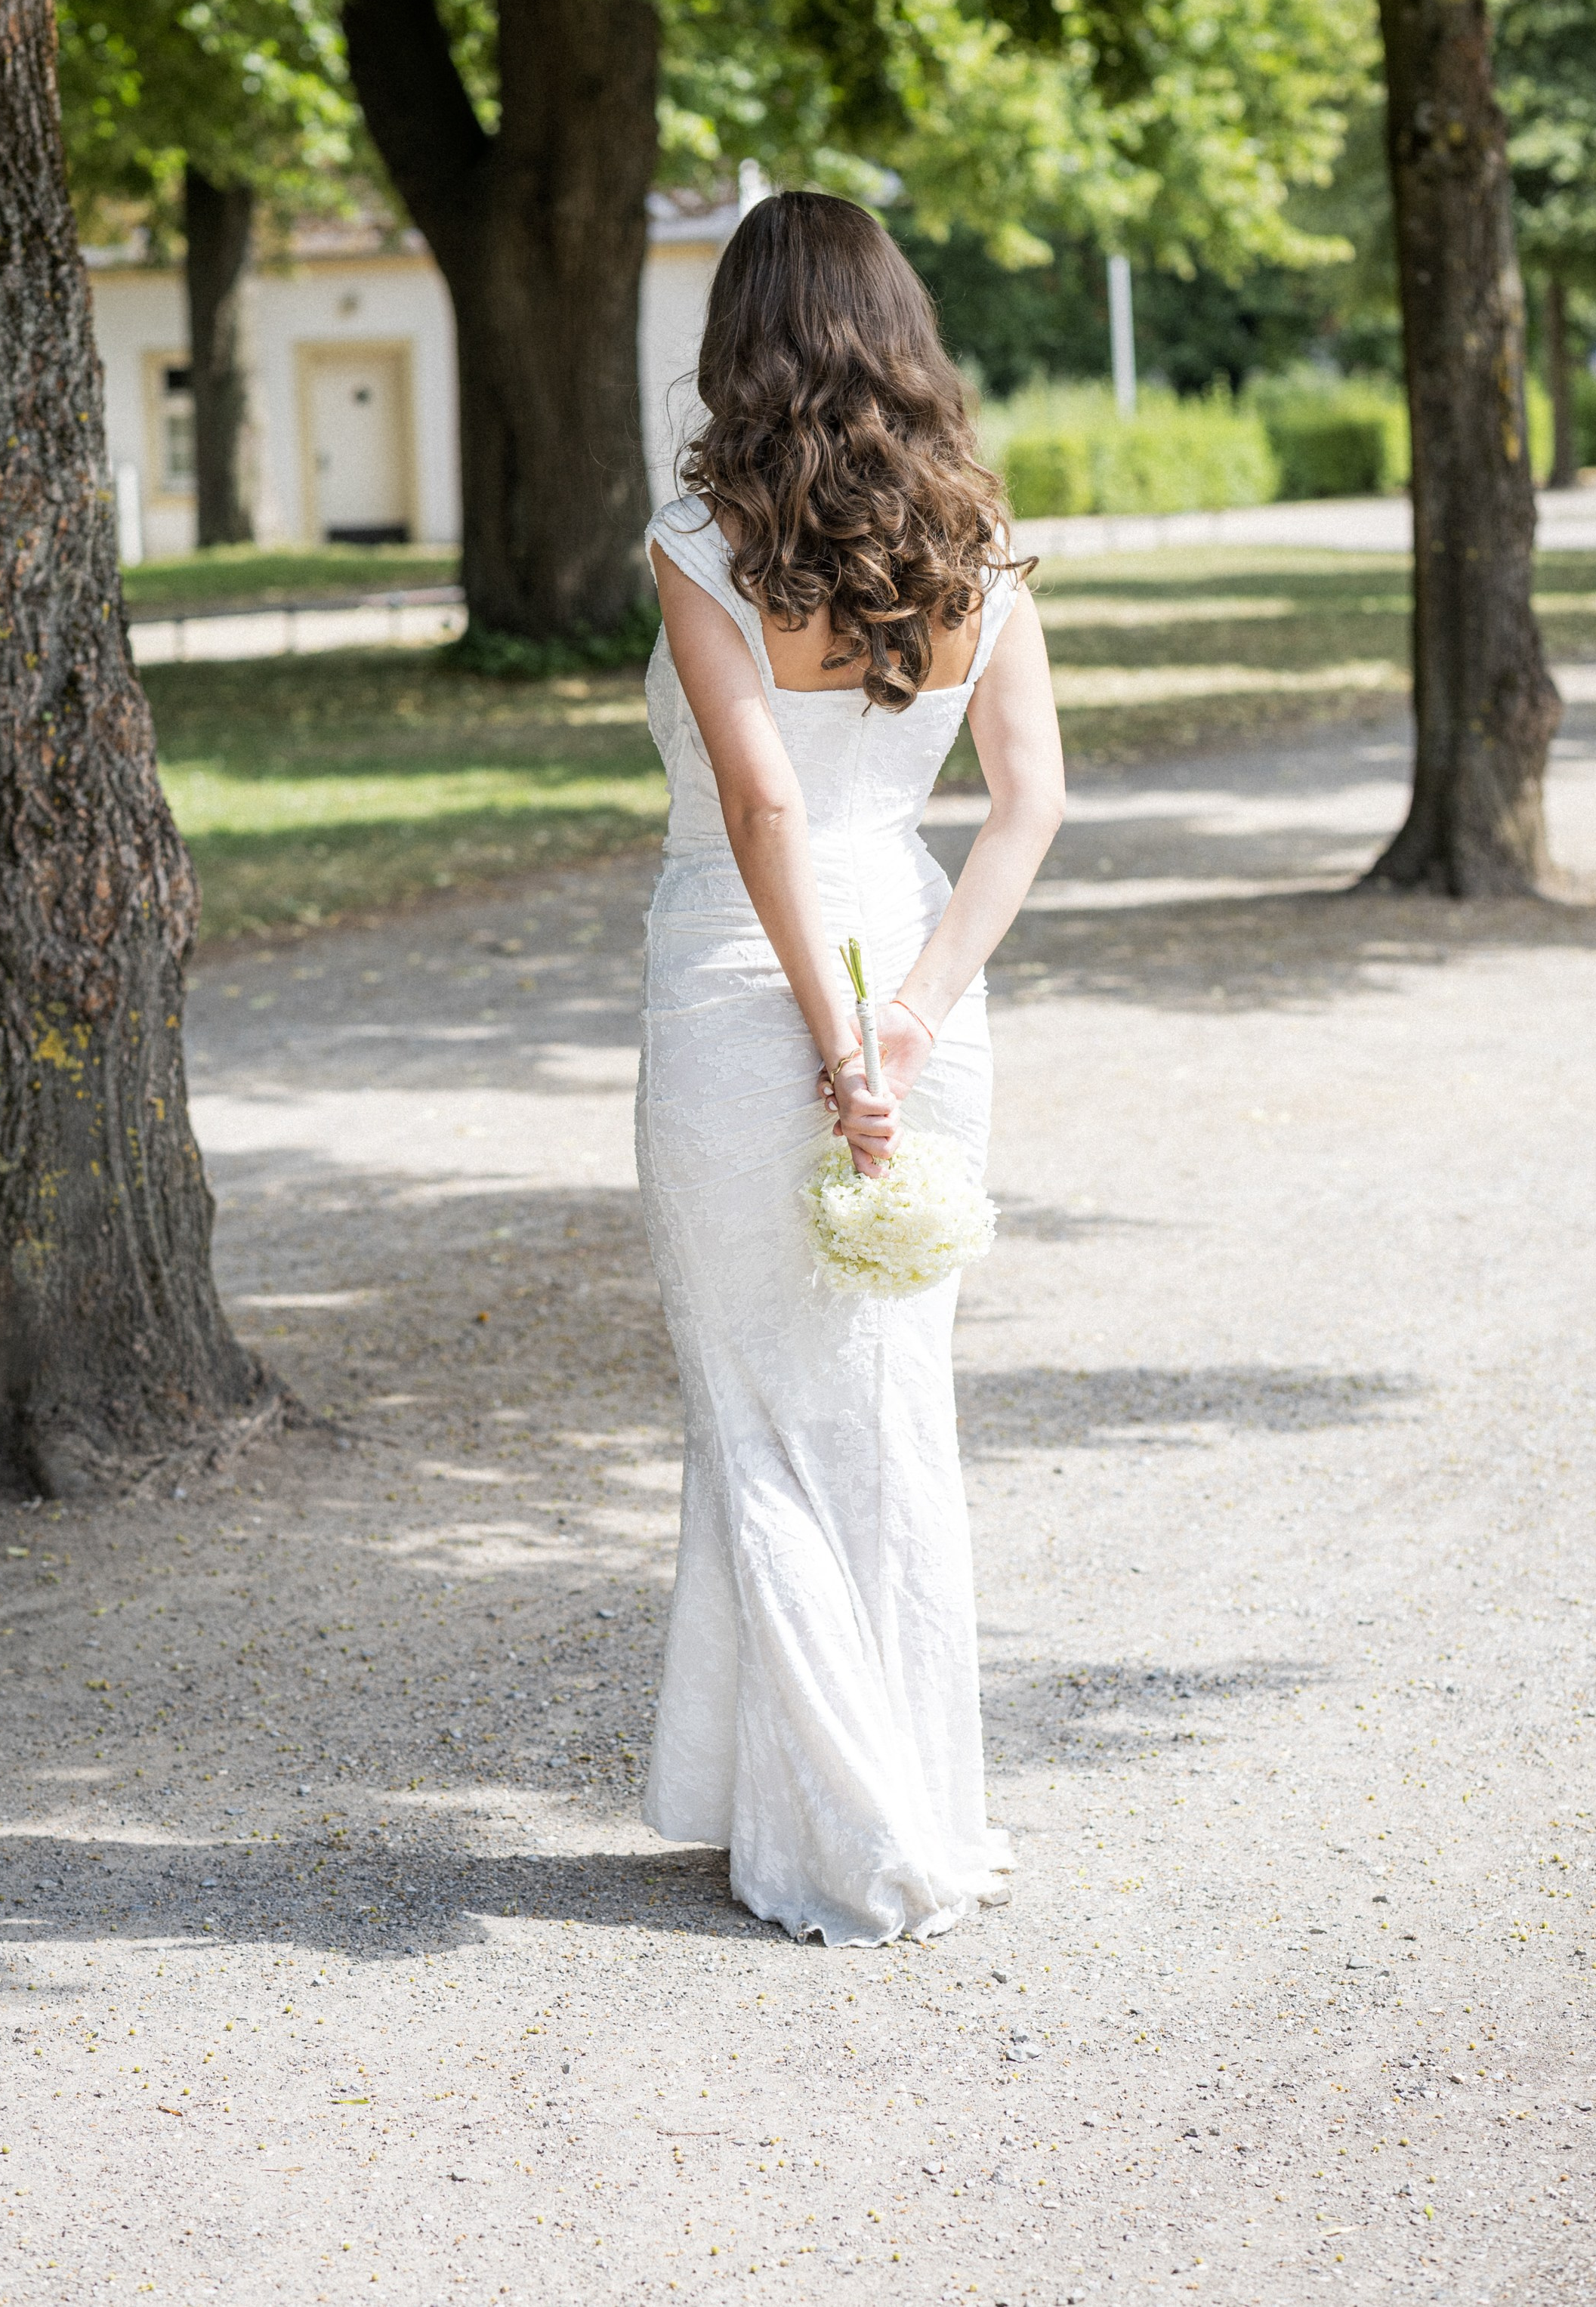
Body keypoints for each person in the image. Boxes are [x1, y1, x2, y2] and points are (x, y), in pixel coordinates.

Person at [637, 191, 1065, 1944]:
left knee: (760, 1412)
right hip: (915, 988)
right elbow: (1028, 802)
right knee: (887, 1410)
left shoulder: (700, 539)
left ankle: (840, 1832)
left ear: (739, 340)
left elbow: (760, 806)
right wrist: (909, 1020)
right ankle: (895, 1797)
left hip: (743, 995)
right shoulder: (977, 539)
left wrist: (831, 1038)